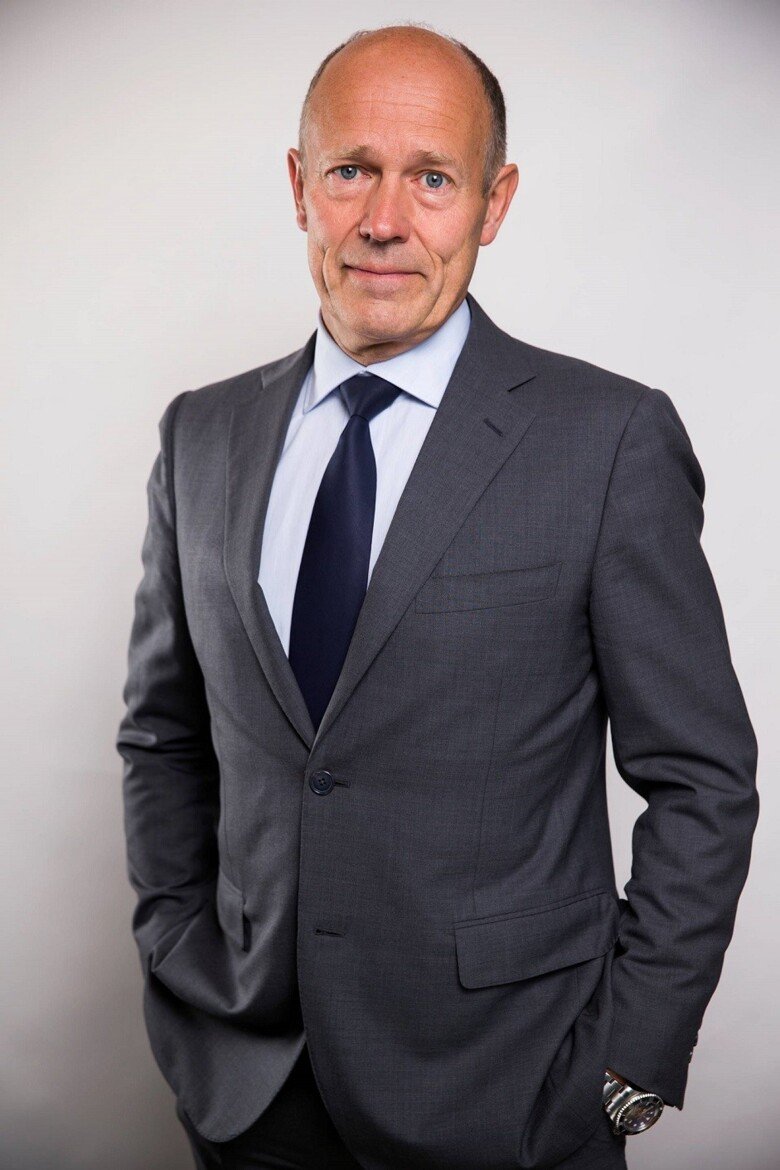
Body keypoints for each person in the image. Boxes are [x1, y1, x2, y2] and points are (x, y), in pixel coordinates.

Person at [116, 22, 759, 1170]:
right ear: (298, 186)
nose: (383, 220)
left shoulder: (607, 440)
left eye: (432, 179)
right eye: (350, 170)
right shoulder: (201, 434)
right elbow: (163, 737)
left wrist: (627, 1071)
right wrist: (178, 956)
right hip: (251, 1094)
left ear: (493, 203)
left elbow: (702, 780)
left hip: (511, 1097)